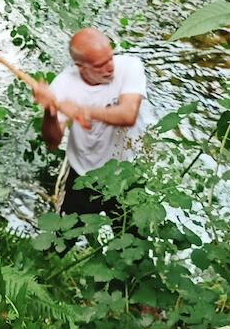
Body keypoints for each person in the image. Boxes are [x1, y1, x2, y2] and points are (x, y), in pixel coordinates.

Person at [33, 27, 148, 217]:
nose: (110, 67)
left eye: (110, 58)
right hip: (83, 176)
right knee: (66, 232)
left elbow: (128, 115)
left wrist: (81, 111)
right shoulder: (63, 85)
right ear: (80, 67)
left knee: (134, 232)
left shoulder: (130, 66)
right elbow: (52, 142)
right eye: (99, 65)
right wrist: (49, 111)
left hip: (127, 173)